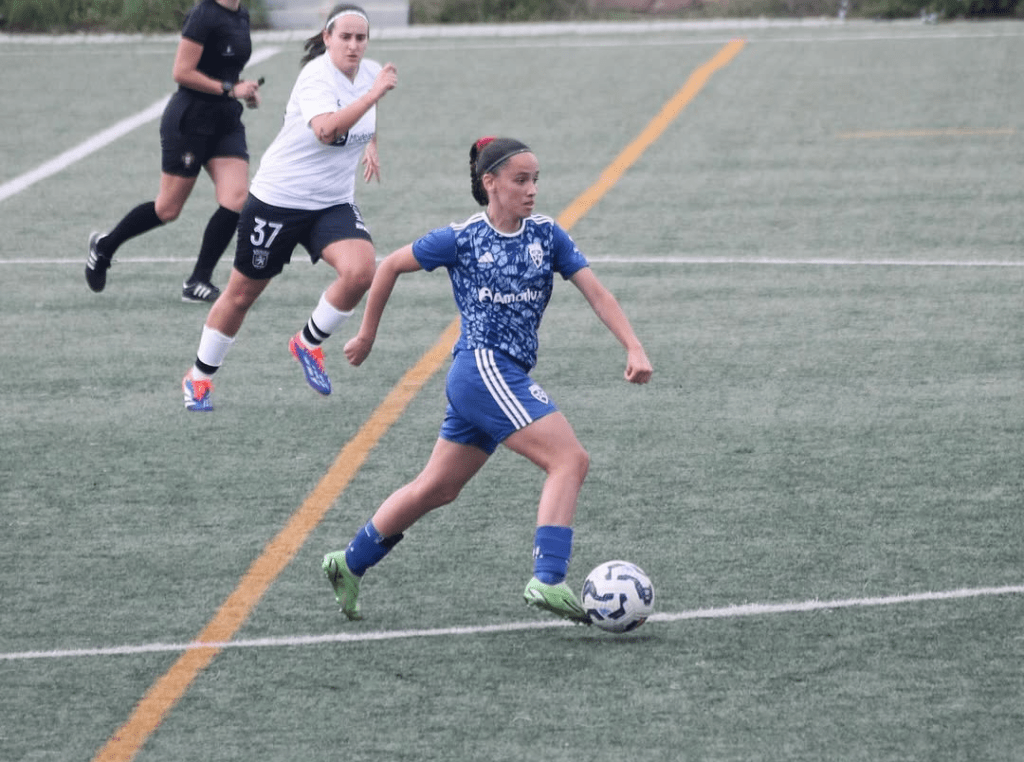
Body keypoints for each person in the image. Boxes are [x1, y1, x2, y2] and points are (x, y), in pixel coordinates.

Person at [321, 136, 654, 624]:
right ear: (490, 182)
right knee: (569, 459)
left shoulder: (547, 235)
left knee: (437, 488)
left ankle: (348, 563)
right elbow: (388, 265)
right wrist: (367, 335)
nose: (532, 190)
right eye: (521, 180)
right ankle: (548, 578)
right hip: (483, 368)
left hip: (494, 377)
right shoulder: (463, 239)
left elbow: (597, 293)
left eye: (535, 180)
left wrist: (633, 345)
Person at [181, 3, 397, 411]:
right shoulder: (316, 77)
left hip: (332, 202)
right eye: (345, 37)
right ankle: (199, 377)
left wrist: (371, 145)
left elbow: (367, 112)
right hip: (278, 201)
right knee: (241, 295)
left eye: (360, 38)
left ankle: (307, 342)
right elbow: (326, 130)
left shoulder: (370, 73)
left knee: (360, 271)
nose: (353, 45)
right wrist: (373, 94)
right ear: (327, 38)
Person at [85, 0, 263, 303]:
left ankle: (198, 280)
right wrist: (229, 89)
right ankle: (104, 247)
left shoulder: (241, 14)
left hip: (226, 121)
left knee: (236, 199)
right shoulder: (204, 14)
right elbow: (182, 71)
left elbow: (226, 69)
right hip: (190, 121)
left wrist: (242, 89)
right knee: (168, 209)